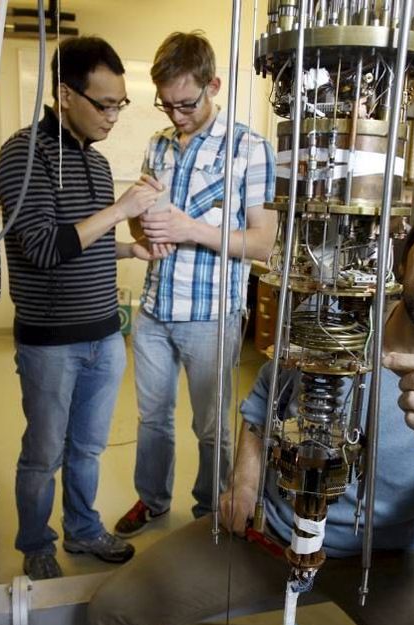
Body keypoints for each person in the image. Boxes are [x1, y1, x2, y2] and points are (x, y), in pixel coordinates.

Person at [88, 180, 414, 625]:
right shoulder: (328, 317)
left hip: (384, 559)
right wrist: (244, 478)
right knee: (113, 612)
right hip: (270, 533)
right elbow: (264, 398)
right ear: (406, 257)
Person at [0, 36, 166, 580]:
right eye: (104, 104)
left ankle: (83, 530)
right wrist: (119, 211)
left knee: (87, 448)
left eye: (121, 104)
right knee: (43, 455)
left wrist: (128, 246)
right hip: (51, 344)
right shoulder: (23, 154)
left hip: (105, 336)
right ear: (65, 95)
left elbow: (80, 238)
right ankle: (36, 541)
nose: (114, 116)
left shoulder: (93, 162)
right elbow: (42, 248)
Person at [113, 31, 277, 536]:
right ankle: (153, 501)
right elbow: (140, 220)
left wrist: (190, 230)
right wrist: (146, 232)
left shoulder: (250, 148)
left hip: (211, 316)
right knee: (152, 420)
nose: (176, 116)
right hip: (155, 310)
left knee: (212, 428)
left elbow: (263, 244)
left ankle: (210, 512)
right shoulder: (156, 144)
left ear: (214, 85)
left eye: (185, 104)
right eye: (166, 106)